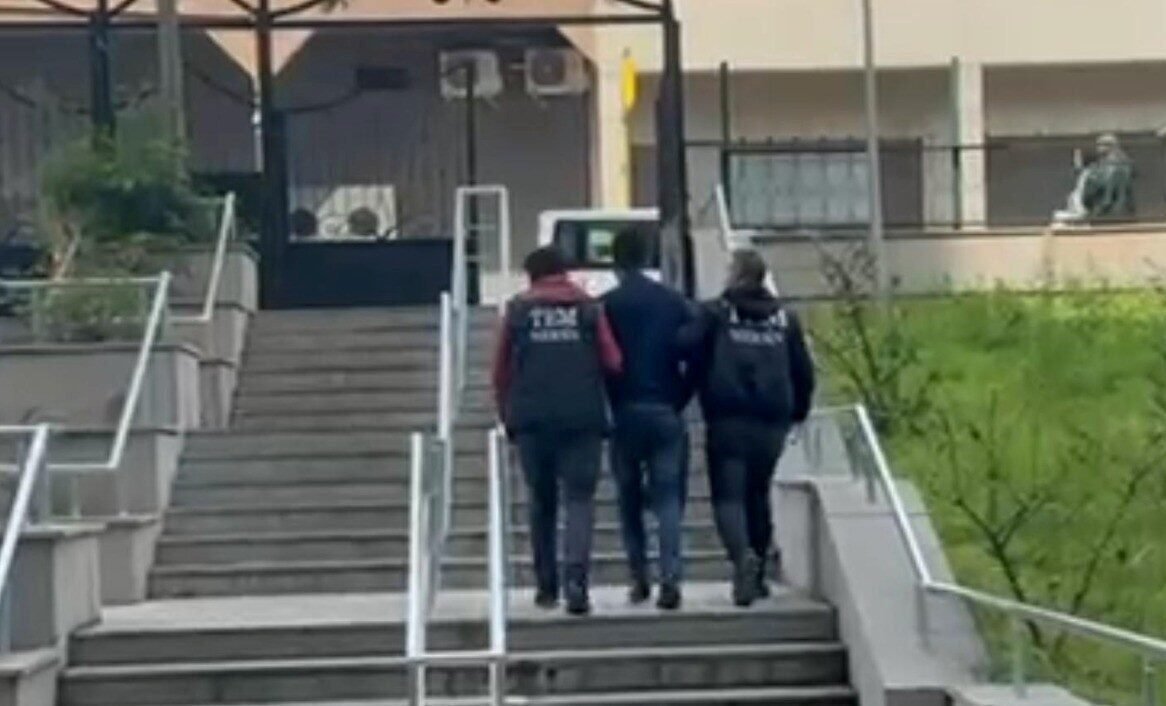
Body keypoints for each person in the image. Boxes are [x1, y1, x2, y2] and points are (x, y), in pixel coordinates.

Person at [491, 245, 623, 615]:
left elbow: (500, 370)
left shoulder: (518, 310)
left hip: (532, 420)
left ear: (532, 275)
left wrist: (507, 413)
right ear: (564, 272)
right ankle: (577, 583)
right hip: (582, 417)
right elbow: (613, 360)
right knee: (579, 500)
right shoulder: (589, 308)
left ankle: (546, 586)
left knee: (541, 501)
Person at [681, 250, 815, 607]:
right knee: (758, 494)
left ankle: (743, 559)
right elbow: (802, 370)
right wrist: (799, 412)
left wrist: (681, 396)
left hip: (728, 418)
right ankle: (757, 574)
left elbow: (689, 351)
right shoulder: (785, 319)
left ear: (736, 275)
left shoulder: (717, 313)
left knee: (729, 496)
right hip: (772, 421)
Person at [602, 230, 694, 610]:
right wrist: (681, 396)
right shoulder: (674, 303)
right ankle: (670, 578)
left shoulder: (607, 306)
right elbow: (695, 350)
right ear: (645, 258)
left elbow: (600, 359)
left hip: (624, 412)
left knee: (628, 498)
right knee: (668, 498)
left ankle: (638, 577)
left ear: (615, 262)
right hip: (665, 411)